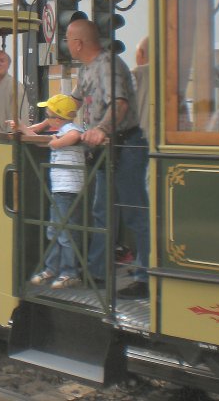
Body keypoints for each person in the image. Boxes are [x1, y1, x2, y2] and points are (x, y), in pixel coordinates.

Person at [66, 18, 149, 299]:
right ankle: (97, 272)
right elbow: (72, 103)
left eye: (68, 40)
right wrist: (42, 124)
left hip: (126, 145)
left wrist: (101, 129)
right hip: (106, 149)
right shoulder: (86, 70)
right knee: (102, 211)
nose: (68, 46)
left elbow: (120, 103)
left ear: (78, 43)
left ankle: (146, 276)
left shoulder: (110, 65)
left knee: (133, 211)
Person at [12, 94, 85, 289]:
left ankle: (70, 271)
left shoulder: (70, 130)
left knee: (65, 232)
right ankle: (52, 268)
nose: (46, 119)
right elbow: (39, 141)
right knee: (54, 229)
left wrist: (57, 143)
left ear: (58, 119)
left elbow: (75, 135)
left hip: (68, 189)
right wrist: (22, 128)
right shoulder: (60, 131)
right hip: (60, 189)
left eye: (48, 115)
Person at [0, 50, 30, 144]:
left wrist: (9, 139)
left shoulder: (14, 86)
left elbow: (18, 117)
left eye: (2, 60)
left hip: (7, 142)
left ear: (8, 64)